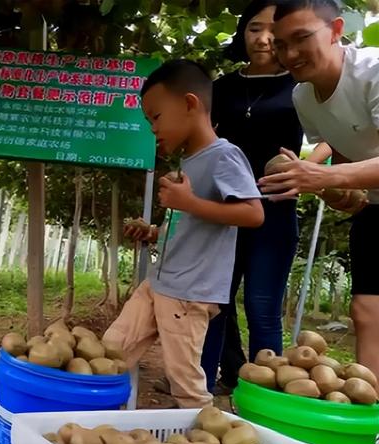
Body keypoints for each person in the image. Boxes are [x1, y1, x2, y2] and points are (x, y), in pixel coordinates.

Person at [103, 59, 264, 408]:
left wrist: (188, 202)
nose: (152, 129)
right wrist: (154, 232)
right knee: (110, 350)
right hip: (160, 283)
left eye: (156, 117)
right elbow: (192, 227)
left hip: (189, 293)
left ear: (190, 104)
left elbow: (253, 213)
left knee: (185, 384)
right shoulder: (189, 162)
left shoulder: (224, 156)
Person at [199, 0, 331, 395]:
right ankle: (203, 390)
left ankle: (265, 396)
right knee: (214, 305)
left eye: (275, 30)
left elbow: (332, 134)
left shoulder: (302, 86)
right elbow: (202, 137)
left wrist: (306, 167)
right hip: (225, 210)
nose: (265, 38)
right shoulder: (221, 88)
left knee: (262, 307)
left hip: (275, 209)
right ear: (243, 33)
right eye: (255, 28)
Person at [259, 0, 379, 391]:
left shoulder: (373, 72)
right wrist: (333, 190)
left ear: (336, 29)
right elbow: (347, 155)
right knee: (366, 311)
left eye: (301, 38)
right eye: (280, 44)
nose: (289, 53)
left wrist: (318, 173)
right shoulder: (303, 96)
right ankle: (373, 422)